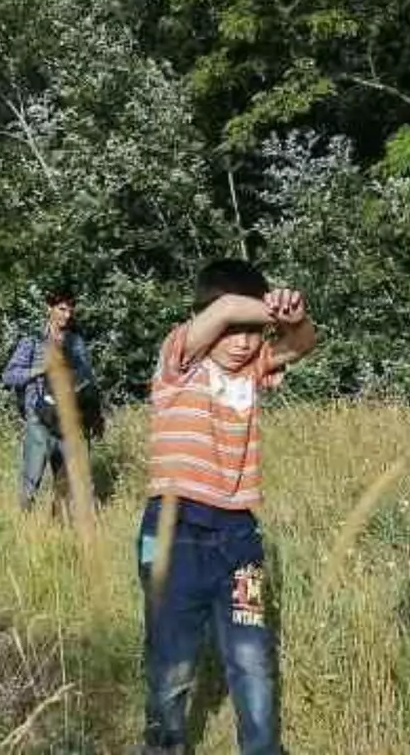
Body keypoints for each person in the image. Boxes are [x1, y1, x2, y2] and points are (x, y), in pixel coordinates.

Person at [136, 259, 316, 755]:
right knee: (171, 661)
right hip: (175, 532)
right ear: (204, 319)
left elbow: (302, 344)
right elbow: (229, 310)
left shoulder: (254, 370)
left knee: (251, 657)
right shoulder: (180, 361)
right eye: (233, 329)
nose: (243, 341)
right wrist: (265, 307)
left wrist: (292, 317)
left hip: (240, 539)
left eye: (254, 333)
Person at [0, 290, 98, 511]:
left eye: (70, 309)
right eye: (62, 309)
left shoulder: (76, 342)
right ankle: (24, 530)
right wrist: (39, 370)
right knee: (30, 482)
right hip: (38, 418)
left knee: (74, 481)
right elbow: (9, 375)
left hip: (69, 418)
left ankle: (62, 531)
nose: (67, 314)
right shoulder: (33, 340)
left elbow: (88, 378)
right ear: (49, 308)